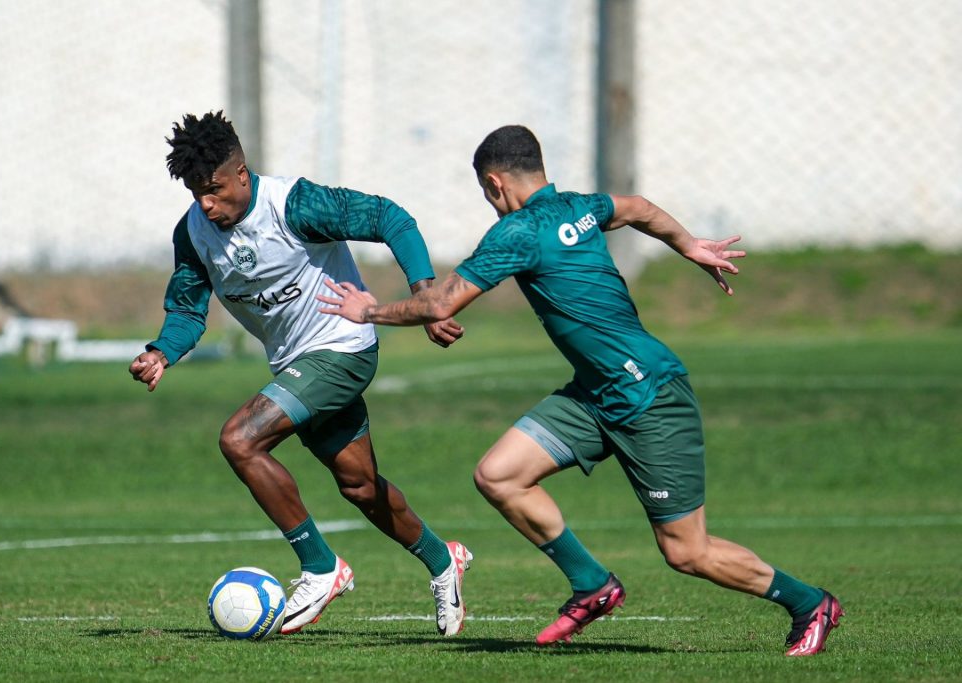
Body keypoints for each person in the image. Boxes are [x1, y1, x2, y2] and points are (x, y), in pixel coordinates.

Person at [317, 124, 842, 655]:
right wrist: (689, 245)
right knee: (499, 476)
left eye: (485, 195)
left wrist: (370, 310)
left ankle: (808, 602)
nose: (491, 205)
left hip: (649, 396)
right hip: (595, 394)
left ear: (496, 184)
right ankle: (592, 584)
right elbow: (636, 207)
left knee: (688, 552)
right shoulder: (580, 207)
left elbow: (440, 303)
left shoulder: (517, 232)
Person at [128, 111, 472, 637]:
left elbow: (389, 217)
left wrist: (425, 292)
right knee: (359, 486)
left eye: (215, 189)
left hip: (342, 350)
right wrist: (162, 351)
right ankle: (443, 560)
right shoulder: (194, 232)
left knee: (239, 440)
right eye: (197, 192)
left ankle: (319, 567)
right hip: (295, 365)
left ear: (241, 172)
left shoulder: (294, 205)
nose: (206, 203)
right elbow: (187, 310)